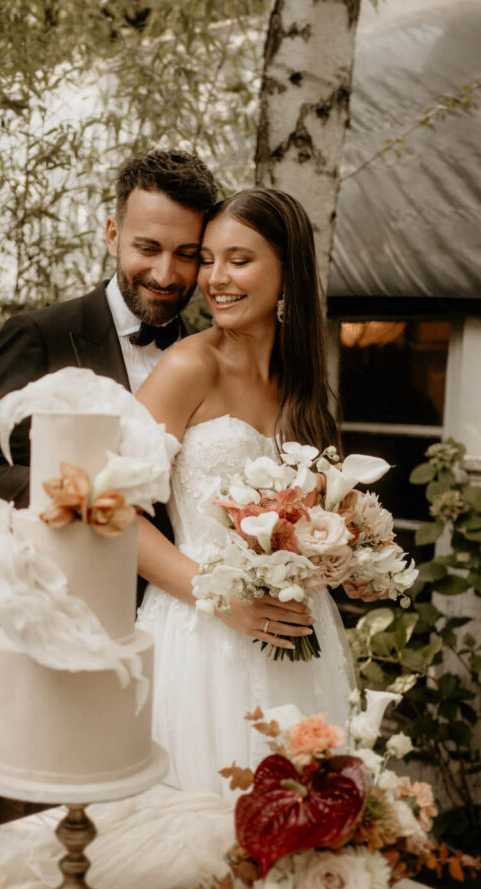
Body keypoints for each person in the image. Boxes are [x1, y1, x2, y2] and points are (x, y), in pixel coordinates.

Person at [135, 187, 355, 795]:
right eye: (207, 260)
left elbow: (322, 512)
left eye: (239, 260)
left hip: (300, 634)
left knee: (297, 805)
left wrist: (352, 558)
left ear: (287, 270)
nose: (215, 279)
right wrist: (222, 602)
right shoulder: (188, 367)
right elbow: (111, 515)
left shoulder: (304, 386)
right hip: (201, 636)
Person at [0, 149, 218, 511]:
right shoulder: (39, 336)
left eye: (186, 254)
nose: (164, 275)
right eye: (147, 248)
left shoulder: (210, 353)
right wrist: (83, 495)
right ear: (113, 236)